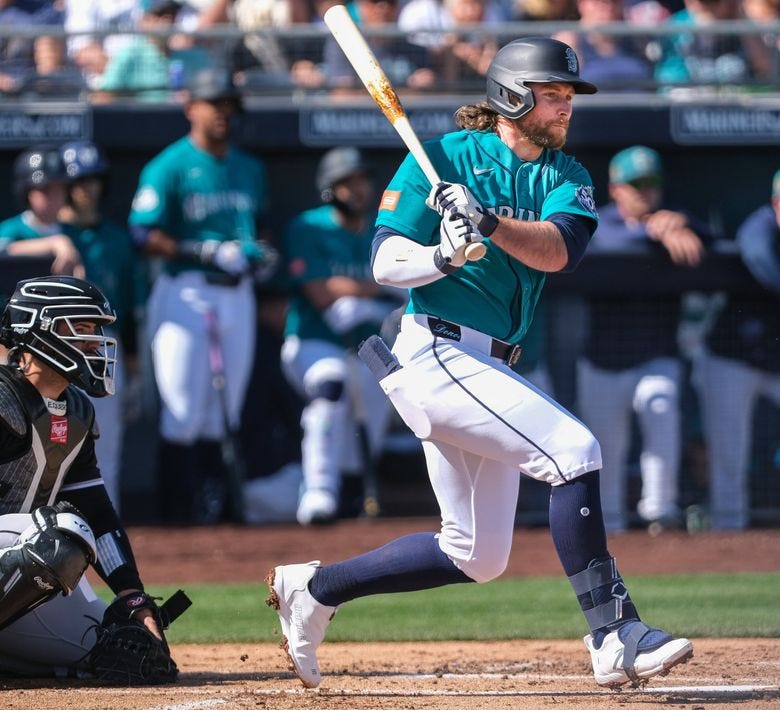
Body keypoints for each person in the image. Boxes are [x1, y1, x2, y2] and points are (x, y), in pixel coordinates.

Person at [265, 37, 693, 690]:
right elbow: (384, 261)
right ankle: (614, 633)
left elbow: (559, 253)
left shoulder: (567, 176)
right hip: (433, 350)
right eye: (552, 95)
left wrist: (487, 225)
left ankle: (317, 587)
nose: (564, 109)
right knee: (573, 452)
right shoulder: (438, 159)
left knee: (475, 553)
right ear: (512, 97)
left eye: (568, 96)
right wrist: (443, 255)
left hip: (489, 363)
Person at [0, 275, 180, 680]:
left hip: (12, 571)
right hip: (23, 550)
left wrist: (132, 596)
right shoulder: (2, 399)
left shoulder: (76, 410)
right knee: (58, 536)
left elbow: (96, 510)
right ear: (40, 329)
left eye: (96, 330)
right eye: (82, 329)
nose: (96, 342)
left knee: (122, 649)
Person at [129, 68, 277, 525]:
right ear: (191, 106)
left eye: (230, 107)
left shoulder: (249, 167)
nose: (224, 115)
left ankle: (211, 515)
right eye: (216, 105)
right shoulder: (169, 165)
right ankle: (173, 516)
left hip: (237, 293)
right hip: (187, 291)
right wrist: (203, 249)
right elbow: (141, 232)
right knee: (182, 410)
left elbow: (264, 226)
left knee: (224, 409)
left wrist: (260, 254)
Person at [577, 145, 711, 533]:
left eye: (651, 184)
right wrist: (656, 235)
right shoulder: (597, 222)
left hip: (657, 353)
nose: (646, 192)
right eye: (636, 185)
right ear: (616, 188)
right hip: (602, 360)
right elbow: (610, 245)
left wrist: (683, 223)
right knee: (604, 450)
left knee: (661, 405)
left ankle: (660, 512)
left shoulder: (674, 221)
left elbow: (713, 241)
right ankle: (609, 525)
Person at [280, 146, 401, 525]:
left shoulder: (383, 228)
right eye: (347, 183)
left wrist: (371, 300)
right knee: (330, 388)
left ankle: (351, 492)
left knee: (379, 401)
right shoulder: (308, 226)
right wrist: (377, 290)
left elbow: (405, 286)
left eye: (362, 181)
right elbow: (320, 291)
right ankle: (318, 489)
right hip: (313, 341)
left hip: (370, 344)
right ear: (330, 188)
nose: (357, 190)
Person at [58, 140, 146, 512]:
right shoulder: (44, 234)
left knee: (104, 441)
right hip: (52, 347)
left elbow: (130, 310)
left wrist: (136, 366)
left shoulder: (116, 239)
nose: (87, 187)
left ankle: (107, 523)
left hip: (101, 346)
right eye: (78, 180)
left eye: (93, 179)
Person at [694, 169, 780, 530]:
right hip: (732, 359)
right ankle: (729, 537)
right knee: (730, 455)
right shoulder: (759, 225)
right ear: (776, 202)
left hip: (774, 359)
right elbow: (761, 259)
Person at [0, 145, 85, 278]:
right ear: (28, 192)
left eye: (59, 189)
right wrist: (54, 243)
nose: (53, 197)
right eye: (45, 190)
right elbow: (5, 250)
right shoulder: (11, 228)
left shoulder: (75, 234)